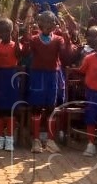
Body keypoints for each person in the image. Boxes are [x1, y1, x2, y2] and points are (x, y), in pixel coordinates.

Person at [24, 10, 69, 153]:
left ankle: (50, 140)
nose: (48, 25)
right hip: (38, 76)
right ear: (39, 24)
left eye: (51, 22)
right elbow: (25, 52)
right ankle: (36, 140)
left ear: (55, 24)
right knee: (36, 108)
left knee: (51, 108)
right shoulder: (34, 39)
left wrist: (66, 34)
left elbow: (65, 54)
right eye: (44, 21)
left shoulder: (58, 39)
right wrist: (27, 31)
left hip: (53, 76)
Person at [0, 18, 25, 151]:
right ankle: (0, 138)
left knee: (10, 110)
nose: (3, 34)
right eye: (0, 31)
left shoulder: (15, 44)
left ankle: (9, 139)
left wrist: (17, 37)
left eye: (6, 31)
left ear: (10, 32)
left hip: (11, 79)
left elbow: (19, 55)